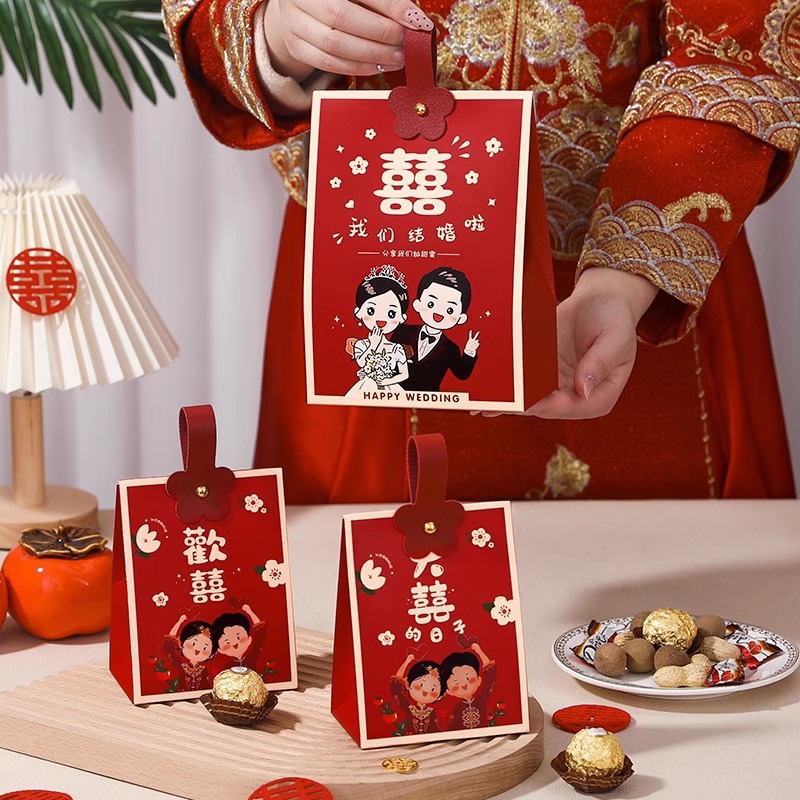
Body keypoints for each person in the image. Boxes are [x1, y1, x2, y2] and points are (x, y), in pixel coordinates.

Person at [163, 0, 798, 501]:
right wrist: (279, 36)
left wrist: (624, 279)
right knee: (368, 596)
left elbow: (736, 49)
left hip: (651, 250)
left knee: (677, 605)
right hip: (378, 244)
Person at [393, 267, 481, 392]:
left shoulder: (451, 348)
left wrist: (469, 352)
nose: (438, 313)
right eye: (431, 304)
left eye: (449, 310)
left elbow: (462, 374)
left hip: (430, 398)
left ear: (461, 318)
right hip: (395, 394)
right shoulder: (403, 332)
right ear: (418, 304)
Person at [346, 266, 410, 397]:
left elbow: (404, 374)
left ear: (402, 318)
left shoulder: (397, 348)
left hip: (391, 389)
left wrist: (387, 381)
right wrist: (373, 345)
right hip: (366, 388)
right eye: (371, 311)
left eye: (391, 313)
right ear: (358, 312)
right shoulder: (361, 345)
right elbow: (361, 363)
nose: (381, 319)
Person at [389, 652, 444, 735]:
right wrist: (407, 662)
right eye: (421, 685)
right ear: (408, 684)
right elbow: (397, 687)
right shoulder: (409, 708)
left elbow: (435, 729)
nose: (425, 692)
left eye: (433, 689)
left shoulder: (431, 712)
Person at [163, 615, 216, 691]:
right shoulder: (181, 666)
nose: (197, 650)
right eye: (193, 644)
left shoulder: (204, 670)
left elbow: (206, 687)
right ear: (181, 643)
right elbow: (169, 645)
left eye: (205, 648)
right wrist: (180, 622)